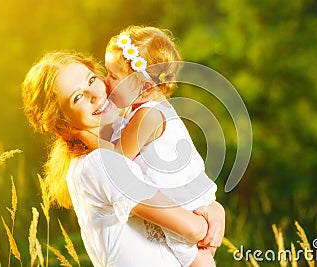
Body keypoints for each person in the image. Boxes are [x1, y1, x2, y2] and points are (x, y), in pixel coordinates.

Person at [21, 51, 225, 267]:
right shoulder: (99, 163)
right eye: (77, 97)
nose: (95, 94)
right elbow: (193, 230)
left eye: (92, 79)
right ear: (62, 123)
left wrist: (213, 208)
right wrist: (210, 219)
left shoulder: (123, 136)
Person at [81, 25, 218, 267]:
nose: (105, 81)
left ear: (144, 88)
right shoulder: (143, 109)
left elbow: (118, 158)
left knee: (197, 259)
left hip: (184, 205)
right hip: (183, 203)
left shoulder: (148, 116)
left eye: (113, 76)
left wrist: (84, 135)